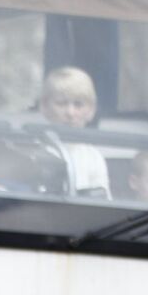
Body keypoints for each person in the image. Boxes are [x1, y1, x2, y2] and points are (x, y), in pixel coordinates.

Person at [38, 66, 110, 198]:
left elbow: (103, 203)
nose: (70, 113)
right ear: (44, 106)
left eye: (78, 104)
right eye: (61, 103)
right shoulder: (35, 151)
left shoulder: (93, 157)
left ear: (91, 110)